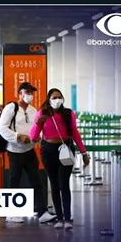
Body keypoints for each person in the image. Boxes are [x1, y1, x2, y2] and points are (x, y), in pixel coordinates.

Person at [30, 88, 90, 229]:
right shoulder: (42, 114)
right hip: (48, 151)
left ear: (62, 99)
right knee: (54, 185)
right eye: (54, 97)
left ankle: (68, 219)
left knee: (64, 184)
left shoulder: (68, 113)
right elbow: (33, 137)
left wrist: (84, 153)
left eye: (59, 97)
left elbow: (75, 133)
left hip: (66, 150)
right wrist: (38, 122)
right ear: (49, 100)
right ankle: (60, 218)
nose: (57, 100)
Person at [0, 82, 56, 224]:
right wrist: (18, 136)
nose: (30, 95)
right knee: (14, 181)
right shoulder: (11, 108)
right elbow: (2, 129)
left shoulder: (33, 111)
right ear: (20, 94)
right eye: (27, 92)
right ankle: (11, 213)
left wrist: (37, 138)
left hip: (29, 150)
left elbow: (38, 130)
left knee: (36, 180)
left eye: (31, 92)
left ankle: (42, 212)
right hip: (14, 151)